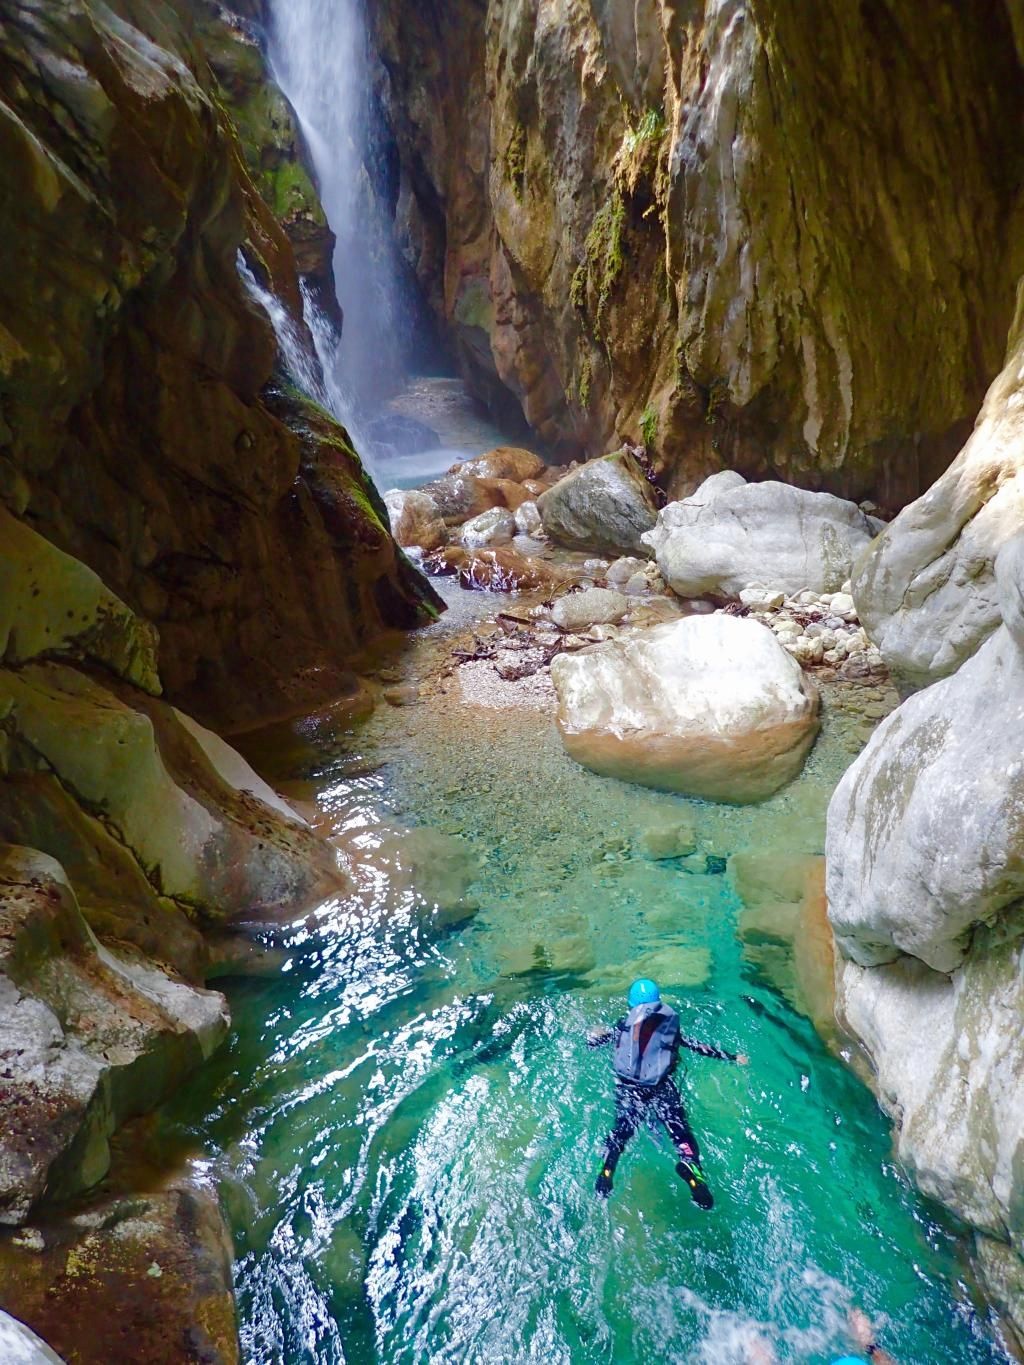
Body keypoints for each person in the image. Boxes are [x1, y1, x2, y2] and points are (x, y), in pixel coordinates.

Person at [587, 978, 747, 1204]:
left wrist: (594, 1034)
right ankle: (693, 1169)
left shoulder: (622, 1026)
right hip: (663, 1088)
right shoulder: (670, 1030)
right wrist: (732, 1057)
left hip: (630, 1090)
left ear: (632, 1005)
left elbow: (594, 1042)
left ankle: (608, 1164)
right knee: (680, 1133)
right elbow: (699, 1047)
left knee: (621, 1131)